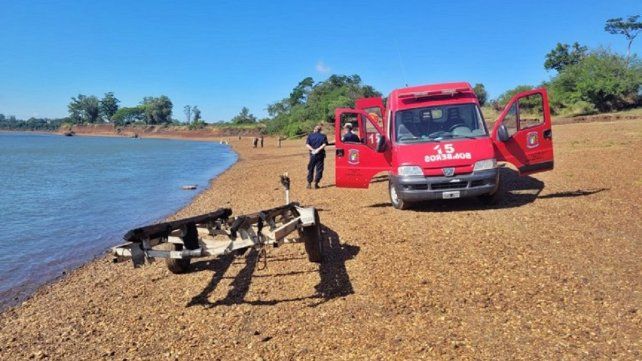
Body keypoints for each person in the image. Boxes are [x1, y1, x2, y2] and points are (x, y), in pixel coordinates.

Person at [305, 124, 328, 189]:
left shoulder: (310, 135)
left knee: (310, 169)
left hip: (312, 154)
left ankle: (309, 183)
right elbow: (324, 144)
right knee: (319, 169)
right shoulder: (323, 136)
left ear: (314, 130)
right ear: (320, 130)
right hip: (320, 154)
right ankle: (316, 183)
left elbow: (307, 144)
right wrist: (318, 149)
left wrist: (313, 150)